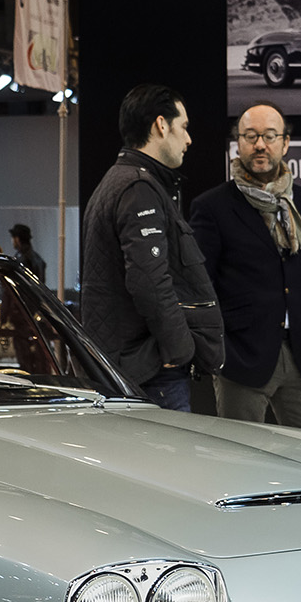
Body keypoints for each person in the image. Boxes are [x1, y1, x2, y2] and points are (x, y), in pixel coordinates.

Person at [189, 103, 301, 431]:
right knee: (242, 464)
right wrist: (221, 351)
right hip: (242, 360)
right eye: (251, 136)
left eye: (270, 136)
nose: (260, 144)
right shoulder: (212, 207)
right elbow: (202, 286)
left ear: (284, 144)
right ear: (238, 144)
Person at [79, 83, 223, 412]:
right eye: (184, 127)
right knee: (171, 463)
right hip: (150, 372)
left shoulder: (119, 181)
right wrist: (180, 350)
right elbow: (149, 281)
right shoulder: (138, 187)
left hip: (130, 364)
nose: (189, 139)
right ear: (161, 125)